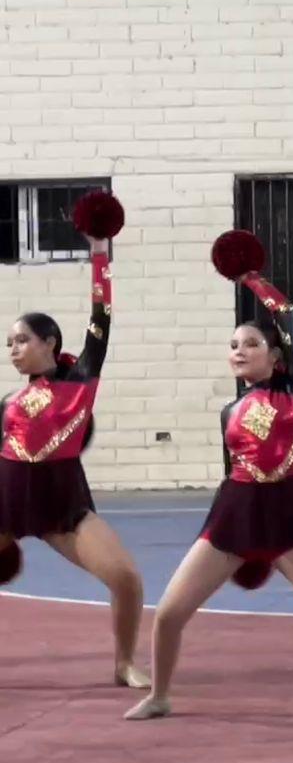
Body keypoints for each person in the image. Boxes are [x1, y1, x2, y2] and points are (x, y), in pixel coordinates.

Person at [126, 237, 293, 720]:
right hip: (234, 519)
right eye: (233, 345)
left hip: (289, 522)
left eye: (251, 343)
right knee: (168, 614)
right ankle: (160, 694)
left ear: (276, 356)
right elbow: (231, 477)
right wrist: (218, 537)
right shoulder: (230, 410)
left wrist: (250, 277)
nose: (240, 350)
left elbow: (287, 314)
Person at [3, 224, 147, 687]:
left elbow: (101, 318)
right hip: (6, 499)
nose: (13, 350)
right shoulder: (8, 403)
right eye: (9, 344)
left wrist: (100, 254)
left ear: (49, 342)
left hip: (62, 504)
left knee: (125, 578)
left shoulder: (80, 380)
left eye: (21, 340)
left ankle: (124, 662)